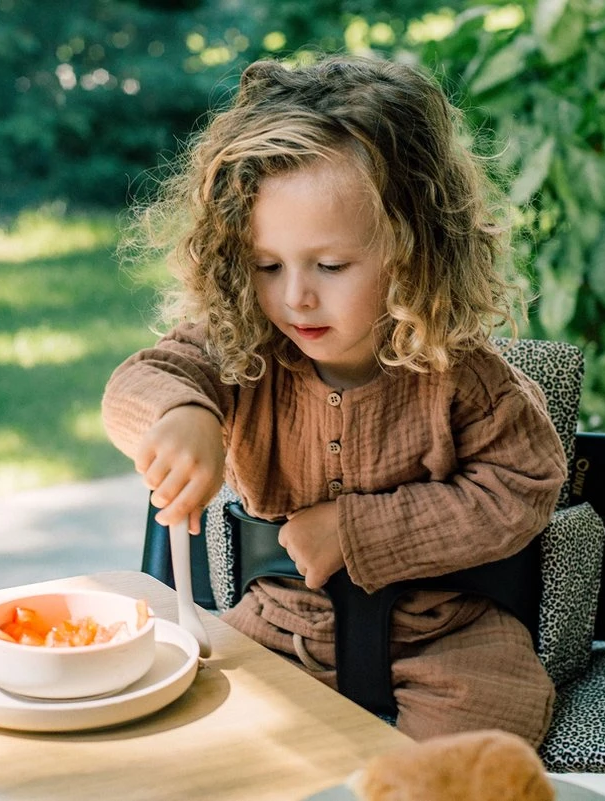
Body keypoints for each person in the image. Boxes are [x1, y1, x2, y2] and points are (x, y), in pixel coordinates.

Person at [101, 55, 567, 746]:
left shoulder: (460, 370)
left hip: (450, 639)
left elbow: (525, 484)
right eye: (267, 265)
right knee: (207, 743)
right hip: (283, 628)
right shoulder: (242, 347)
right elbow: (144, 377)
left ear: (415, 250)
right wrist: (181, 414)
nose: (296, 296)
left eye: (331, 266)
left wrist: (354, 531)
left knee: (471, 760)